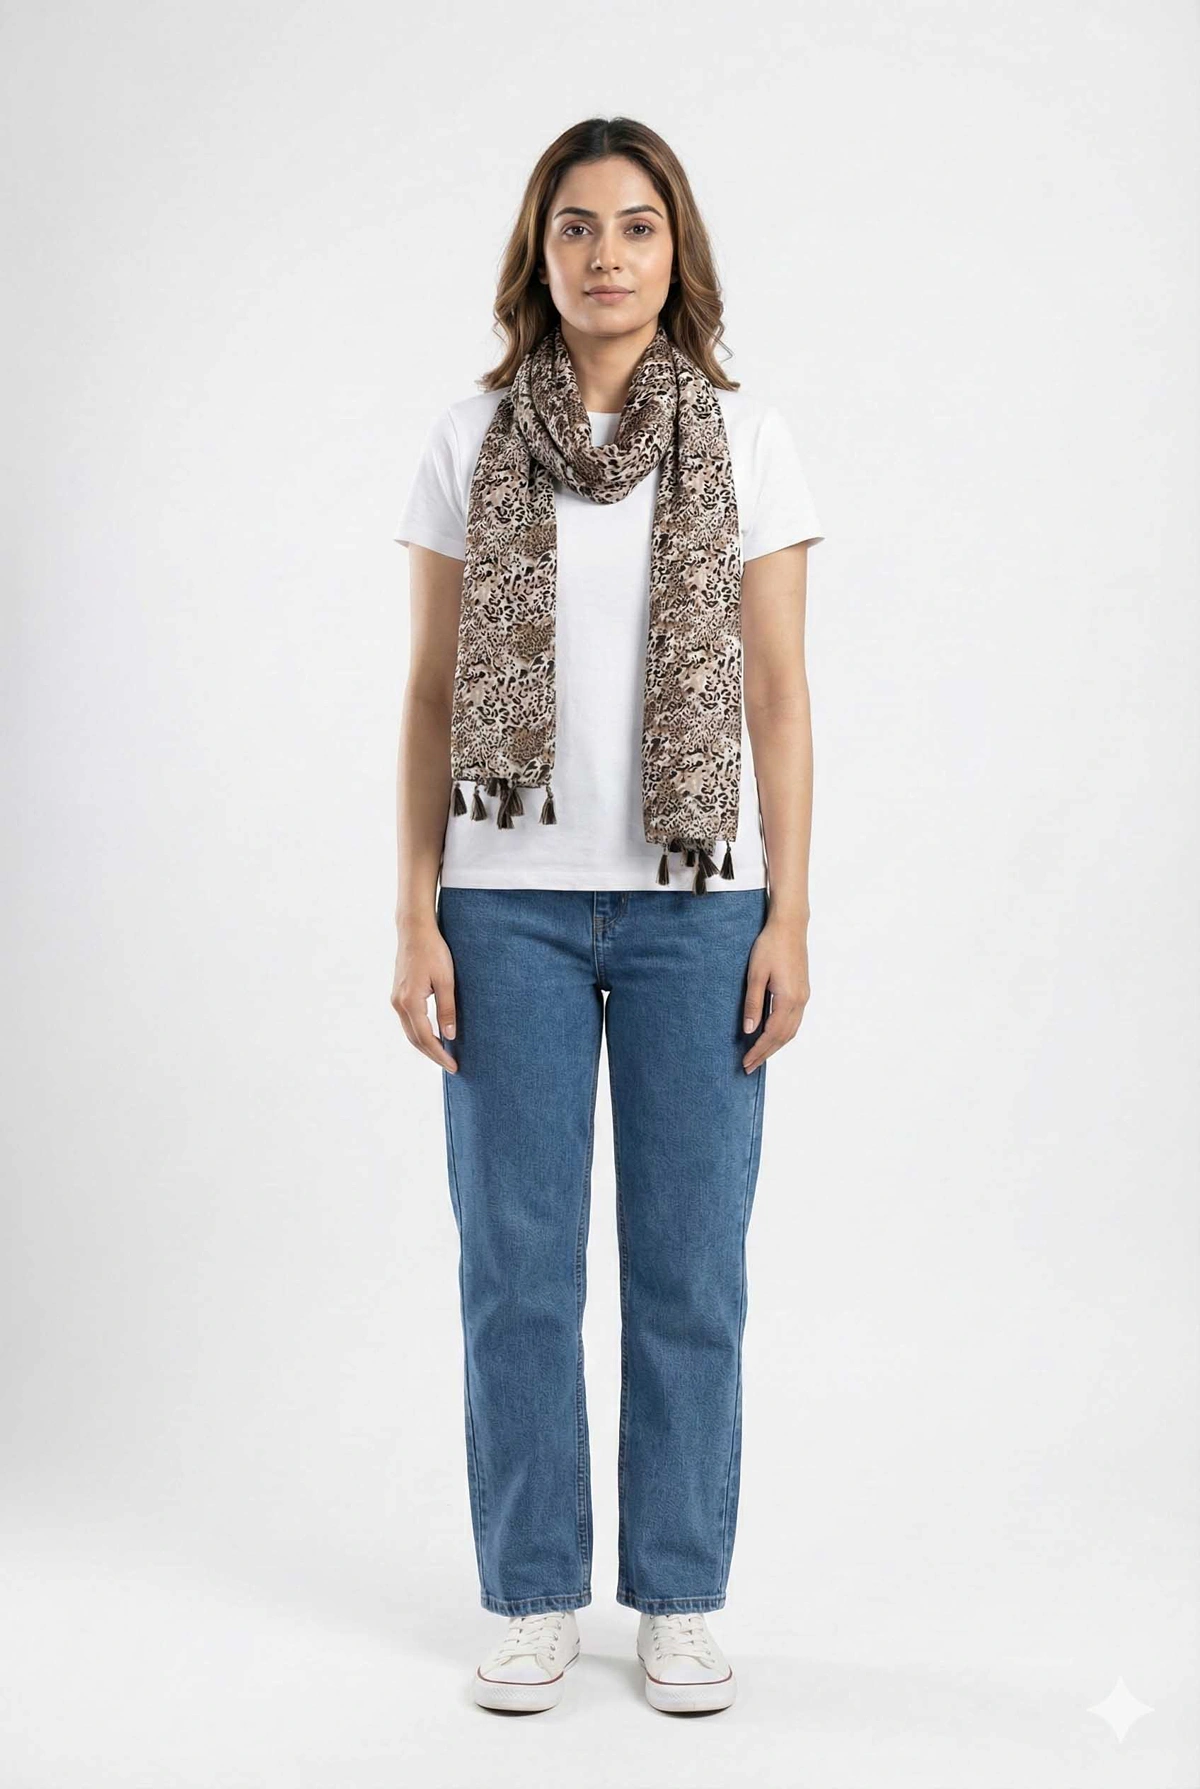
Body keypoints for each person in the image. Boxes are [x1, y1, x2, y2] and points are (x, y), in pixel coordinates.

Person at [391, 115, 824, 1716]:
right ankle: (530, 1596)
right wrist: (414, 918)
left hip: (699, 914)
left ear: (674, 249)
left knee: (690, 1272)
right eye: (576, 226)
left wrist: (790, 913)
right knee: (515, 1272)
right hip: (500, 912)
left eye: (636, 226)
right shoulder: (467, 440)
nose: (605, 254)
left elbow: (777, 692)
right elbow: (430, 695)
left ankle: (681, 1599)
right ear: (540, 250)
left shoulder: (749, 440)